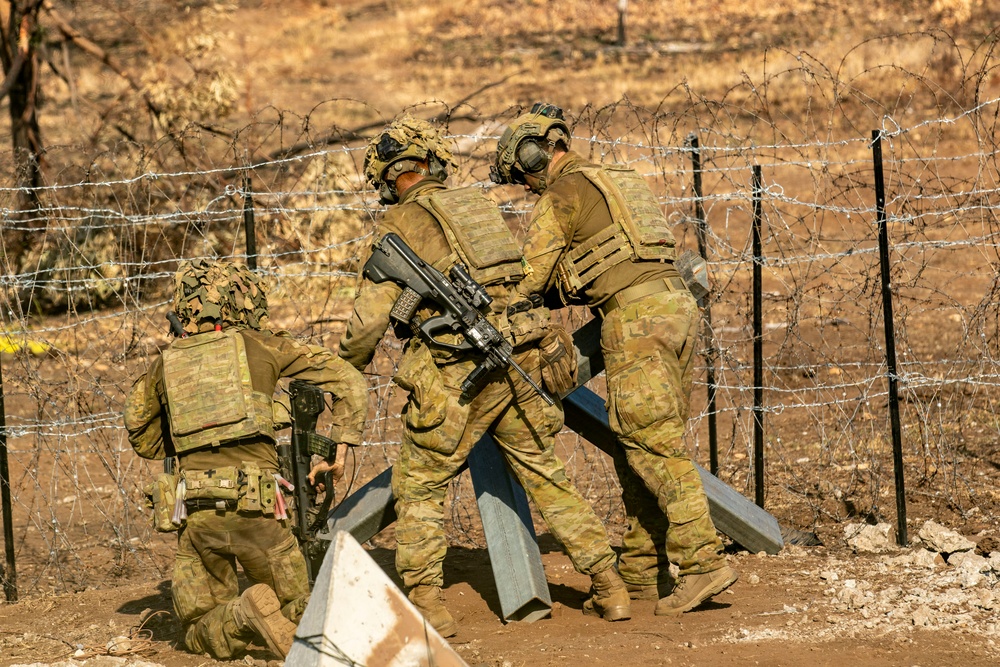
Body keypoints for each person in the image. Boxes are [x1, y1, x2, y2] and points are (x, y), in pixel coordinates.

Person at [338, 115, 631, 637]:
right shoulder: (477, 206)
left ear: (388, 176)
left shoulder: (396, 228)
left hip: (456, 375)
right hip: (516, 361)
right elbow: (518, 277)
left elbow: (367, 325)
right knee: (545, 474)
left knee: (422, 482)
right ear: (433, 164)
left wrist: (345, 368)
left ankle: (428, 602)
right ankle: (609, 584)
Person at [491, 103, 739, 616]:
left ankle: (702, 563)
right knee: (639, 438)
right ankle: (642, 572)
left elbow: (528, 279)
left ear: (534, 157)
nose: (527, 186)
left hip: (634, 317)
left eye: (523, 176)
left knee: (651, 443)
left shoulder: (561, 194)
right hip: (676, 306)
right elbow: (616, 253)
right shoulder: (617, 179)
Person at [124, 259, 367, 660]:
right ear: (248, 302)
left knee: (197, 627)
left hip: (197, 514)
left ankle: (240, 615)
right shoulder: (264, 344)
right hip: (260, 510)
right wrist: (340, 447)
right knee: (302, 614)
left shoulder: (165, 362)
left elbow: (141, 433)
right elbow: (349, 381)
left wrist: (193, 433)